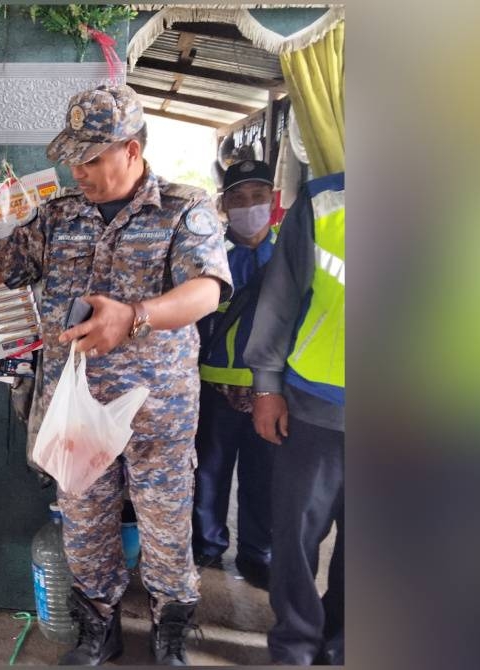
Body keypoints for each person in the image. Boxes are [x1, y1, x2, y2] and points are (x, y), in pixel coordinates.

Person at [0, 85, 233, 666]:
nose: (79, 170)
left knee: (166, 528)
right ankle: (98, 630)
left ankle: (170, 632)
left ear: (131, 149)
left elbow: (206, 290)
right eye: (73, 156)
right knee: (84, 525)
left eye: (93, 158)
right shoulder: (60, 214)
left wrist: (135, 317)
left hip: (156, 410)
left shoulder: (184, 207)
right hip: (74, 408)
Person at [243, 170, 344, 665]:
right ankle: (296, 643)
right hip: (316, 404)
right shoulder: (326, 200)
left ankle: (344, 642)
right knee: (297, 533)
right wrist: (266, 385)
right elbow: (280, 298)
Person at [192, 159, 278, 590]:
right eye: (238, 199)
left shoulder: (290, 256)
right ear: (224, 205)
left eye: (257, 197)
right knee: (209, 472)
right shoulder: (207, 254)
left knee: (263, 480)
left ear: (273, 200)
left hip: (272, 392)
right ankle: (207, 545)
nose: (249, 207)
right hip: (214, 388)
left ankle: (256, 554)